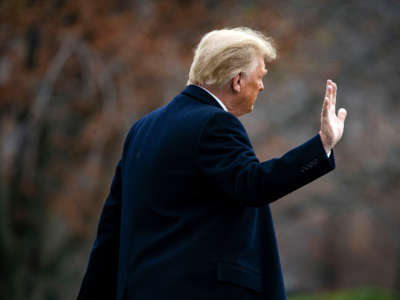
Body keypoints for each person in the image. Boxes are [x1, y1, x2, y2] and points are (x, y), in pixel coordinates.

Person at [77, 27, 347, 300]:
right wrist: (322, 144)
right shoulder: (215, 123)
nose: (262, 85)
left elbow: (111, 229)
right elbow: (254, 184)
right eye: (261, 76)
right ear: (238, 80)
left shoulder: (141, 129)